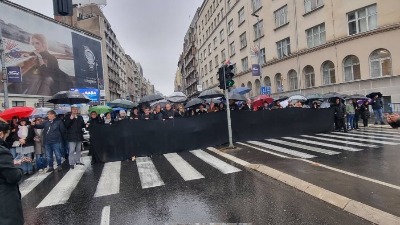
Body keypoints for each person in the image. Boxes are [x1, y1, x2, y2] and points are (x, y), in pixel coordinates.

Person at [0, 119, 24, 225]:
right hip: (5, 201)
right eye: (6, 136)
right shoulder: (2, 151)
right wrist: (18, 169)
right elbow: (13, 176)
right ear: (1, 133)